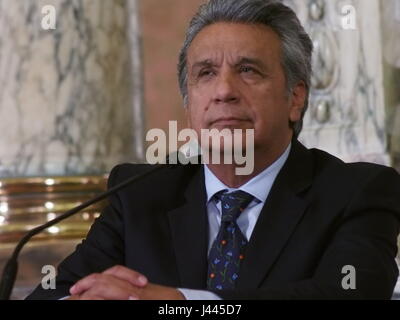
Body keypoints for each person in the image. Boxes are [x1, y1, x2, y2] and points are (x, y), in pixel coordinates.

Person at [27, 0, 400, 300]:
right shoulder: (139, 192)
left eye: (249, 70)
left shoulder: (355, 193)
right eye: (206, 73)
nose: (224, 91)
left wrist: (180, 303)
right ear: (189, 105)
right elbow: (56, 292)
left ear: (295, 98)